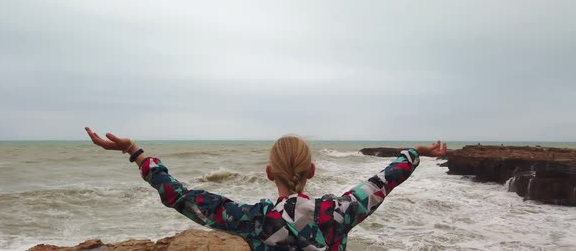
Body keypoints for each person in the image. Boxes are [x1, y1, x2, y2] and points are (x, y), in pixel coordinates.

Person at [85, 127, 446, 251]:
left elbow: (179, 196)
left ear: (269, 171)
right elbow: (385, 180)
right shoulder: (339, 212)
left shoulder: (253, 219)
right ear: (312, 170)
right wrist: (416, 153)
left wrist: (135, 151)